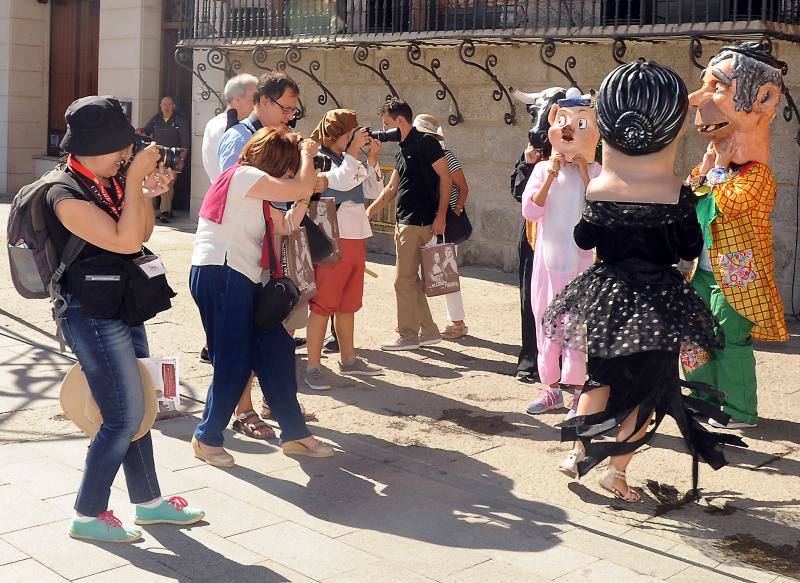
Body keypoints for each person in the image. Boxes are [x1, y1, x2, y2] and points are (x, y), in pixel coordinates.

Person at [543, 60, 743, 502]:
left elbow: (583, 237)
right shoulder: (676, 192)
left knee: (602, 377)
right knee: (649, 389)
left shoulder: (600, 189)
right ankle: (614, 471)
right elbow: (689, 248)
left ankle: (578, 452)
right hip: (657, 301)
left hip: (609, 296)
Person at [45, 96, 204, 542]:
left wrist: (142, 191)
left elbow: (140, 237)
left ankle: (149, 503)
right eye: (123, 149)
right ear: (99, 145)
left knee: (142, 408)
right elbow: (122, 239)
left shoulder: (107, 182)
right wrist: (135, 182)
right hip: (90, 315)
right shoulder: (63, 192)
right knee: (121, 415)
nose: (126, 156)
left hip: (122, 305)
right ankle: (88, 513)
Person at [190, 127, 335, 466]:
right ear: (275, 161)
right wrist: (306, 154)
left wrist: (301, 196)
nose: (289, 174)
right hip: (223, 274)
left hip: (243, 278)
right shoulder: (243, 176)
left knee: (278, 349)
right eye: (286, 167)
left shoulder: (254, 189)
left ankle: (296, 435)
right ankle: (207, 438)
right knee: (234, 361)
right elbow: (298, 186)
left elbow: (286, 225)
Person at [684, 41, 789, 429]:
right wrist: (710, 168)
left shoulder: (757, 176)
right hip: (704, 273)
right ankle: (701, 399)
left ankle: (739, 411)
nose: (697, 100)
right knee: (694, 341)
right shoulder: (717, 170)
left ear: (763, 98)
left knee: (731, 345)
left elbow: (732, 205)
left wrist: (718, 170)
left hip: (738, 283)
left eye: (717, 88)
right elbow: (689, 194)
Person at [215, 72, 317, 438]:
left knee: (276, 330)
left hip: (271, 242)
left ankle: (274, 400)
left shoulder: (278, 138)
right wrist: (300, 181)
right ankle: (241, 411)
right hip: (241, 255)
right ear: (263, 101)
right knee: (243, 337)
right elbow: (236, 191)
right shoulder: (238, 139)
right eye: (286, 108)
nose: (291, 116)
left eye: (294, 110)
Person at [521, 88, 600, 418]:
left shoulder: (596, 173)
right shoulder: (541, 170)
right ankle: (550, 389)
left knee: (576, 327)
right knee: (546, 322)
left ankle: (578, 395)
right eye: (563, 122)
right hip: (548, 261)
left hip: (581, 263)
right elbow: (530, 211)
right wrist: (551, 173)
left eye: (578, 124)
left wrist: (583, 172)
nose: (569, 130)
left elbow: (599, 208)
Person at [304, 109, 383, 391]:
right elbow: (339, 180)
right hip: (332, 237)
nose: (357, 137)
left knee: (349, 301)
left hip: (356, 235)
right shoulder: (319, 158)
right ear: (339, 134)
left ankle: (349, 358)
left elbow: (374, 189)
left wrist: (371, 158)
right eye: (352, 132)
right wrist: (352, 153)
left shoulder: (349, 158)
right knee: (324, 302)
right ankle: (313, 364)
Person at [367, 98, 452, 351]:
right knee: (410, 281)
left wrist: (441, 216)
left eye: (386, 123)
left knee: (402, 281)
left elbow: (446, 177)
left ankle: (407, 335)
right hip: (405, 222)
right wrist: (370, 211)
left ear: (400, 120)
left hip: (418, 223)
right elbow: (393, 188)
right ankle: (429, 331)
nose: (384, 128)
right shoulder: (402, 147)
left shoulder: (426, 142)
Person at [198, 74, 259, 365]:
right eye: (253, 97)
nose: (258, 103)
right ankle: (217, 347)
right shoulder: (231, 129)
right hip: (228, 212)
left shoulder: (221, 124)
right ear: (235, 100)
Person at [509, 87, 567, 383]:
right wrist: (528, 163)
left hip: (567, 238)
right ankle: (530, 360)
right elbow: (518, 193)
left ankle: (566, 363)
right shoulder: (531, 154)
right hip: (534, 235)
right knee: (531, 298)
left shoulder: (580, 150)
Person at [413, 114, 470, 340]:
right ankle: (417, 321)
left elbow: (463, 188)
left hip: (443, 223)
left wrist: (450, 215)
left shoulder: (446, 156)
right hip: (423, 222)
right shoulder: (418, 156)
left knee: (447, 272)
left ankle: (458, 322)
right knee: (415, 272)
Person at [202, 74, 258, 183]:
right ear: (236, 100)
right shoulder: (224, 127)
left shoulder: (217, 123)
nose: (257, 105)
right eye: (253, 100)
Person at [143, 96, 190, 223]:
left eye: (169, 104)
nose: (166, 107)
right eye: (164, 104)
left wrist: (181, 160)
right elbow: (146, 132)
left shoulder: (179, 120)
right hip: (157, 157)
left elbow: (185, 142)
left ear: (173, 106)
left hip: (173, 157)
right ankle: (151, 209)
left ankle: (165, 211)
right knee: (153, 182)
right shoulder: (156, 119)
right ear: (160, 106)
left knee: (168, 183)